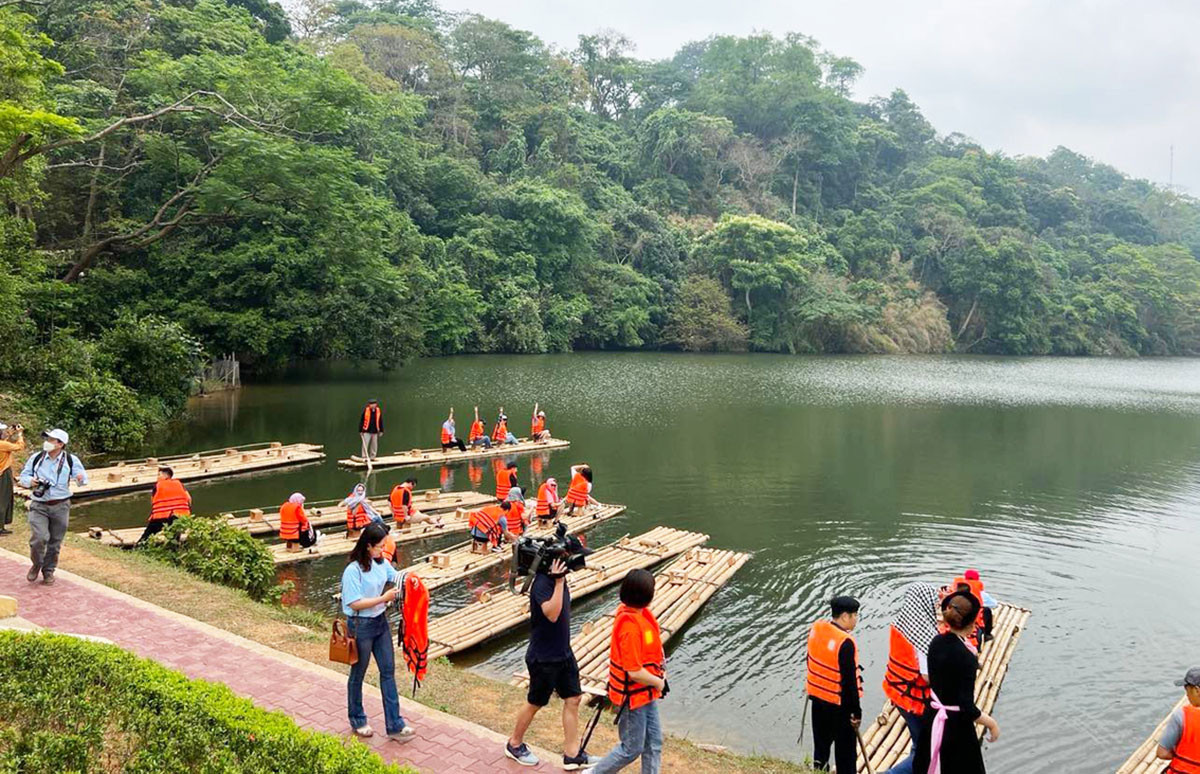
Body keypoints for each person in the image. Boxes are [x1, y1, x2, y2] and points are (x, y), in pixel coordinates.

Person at [504, 551, 599, 770]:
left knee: (573, 698)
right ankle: (514, 744)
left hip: (563, 652)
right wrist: (558, 582)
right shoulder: (543, 583)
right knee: (535, 702)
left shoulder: (558, 579)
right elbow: (553, 613)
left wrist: (561, 579)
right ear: (554, 564)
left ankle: (572, 754)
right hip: (544, 657)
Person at [584, 568, 666, 774]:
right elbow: (634, 671)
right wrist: (658, 682)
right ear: (647, 595)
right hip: (633, 697)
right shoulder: (629, 628)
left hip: (646, 693)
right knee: (631, 748)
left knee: (654, 743)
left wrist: (661, 673)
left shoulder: (642, 616)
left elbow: (653, 650)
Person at [340, 522, 416, 743]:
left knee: (388, 671)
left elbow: (397, 577)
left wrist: (413, 579)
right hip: (360, 626)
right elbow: (354, 603)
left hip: (380, 623)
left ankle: (395, 724)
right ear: (368, 546)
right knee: (358, 674)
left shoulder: (381, 563)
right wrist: (383, 599)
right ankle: (357, 719)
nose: (383, 550)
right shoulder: (353, 570)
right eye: (379, 546)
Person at [913, 591, 1000, 774]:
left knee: (926, 763)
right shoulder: (966, 657)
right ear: (973, 623)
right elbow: (966, 707)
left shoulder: (936, 642)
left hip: (933, 716)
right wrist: (991, 723)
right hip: (955, 728)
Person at [883, 583, 940, 774]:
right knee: (923, 752)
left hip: (898, 693)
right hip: (915, 700)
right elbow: (927, 676)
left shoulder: (901, 624)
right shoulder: (924, 635)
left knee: (918, 743)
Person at [17, 429, 87, 585]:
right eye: (47, 439)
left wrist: (80, 478)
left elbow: (82, 478)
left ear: (60, 444)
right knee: (38, 539)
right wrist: (31, 482)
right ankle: (37, 564)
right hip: (39, 505)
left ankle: (48, 571)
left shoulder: (70, 460)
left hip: (61, 505)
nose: (47, 442)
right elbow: (24, 476)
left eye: (51, 440)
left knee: (55, 543)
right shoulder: (37, 458)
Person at [805, 595, 863, 774]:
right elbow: (849, 683)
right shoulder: (845, 642)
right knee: (845, 753)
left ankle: (819, 770)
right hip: (839, 706)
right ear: (845, 616)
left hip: (818, 700)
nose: (856, 619)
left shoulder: (817, 629)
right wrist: (856, 711)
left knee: (821, 747)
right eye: (855, 615)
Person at [1156, 667, 1200, 771]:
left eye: (1187, 689)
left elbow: (1162, 753)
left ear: (1197, 690)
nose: (1186, 695)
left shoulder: (1181, 715)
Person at [137, 467, 192, 544]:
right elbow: (189, 499)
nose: (157, 477)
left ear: (166, 476)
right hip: (180, 516)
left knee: (147, 535)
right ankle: (173, 550)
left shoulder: (158, 485)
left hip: (162, 515)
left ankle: (139, 547)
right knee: (175, 537)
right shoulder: (179, 484)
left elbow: (152, 502)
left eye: (159, 475)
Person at [0, 422, 26, 535]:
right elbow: (19, 447)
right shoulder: (2, 445)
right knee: (3, 499)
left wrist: (10, 434)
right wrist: (20, 434)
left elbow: (4, 443)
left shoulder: (2, 444)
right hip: (3, 473)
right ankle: (0, 527)